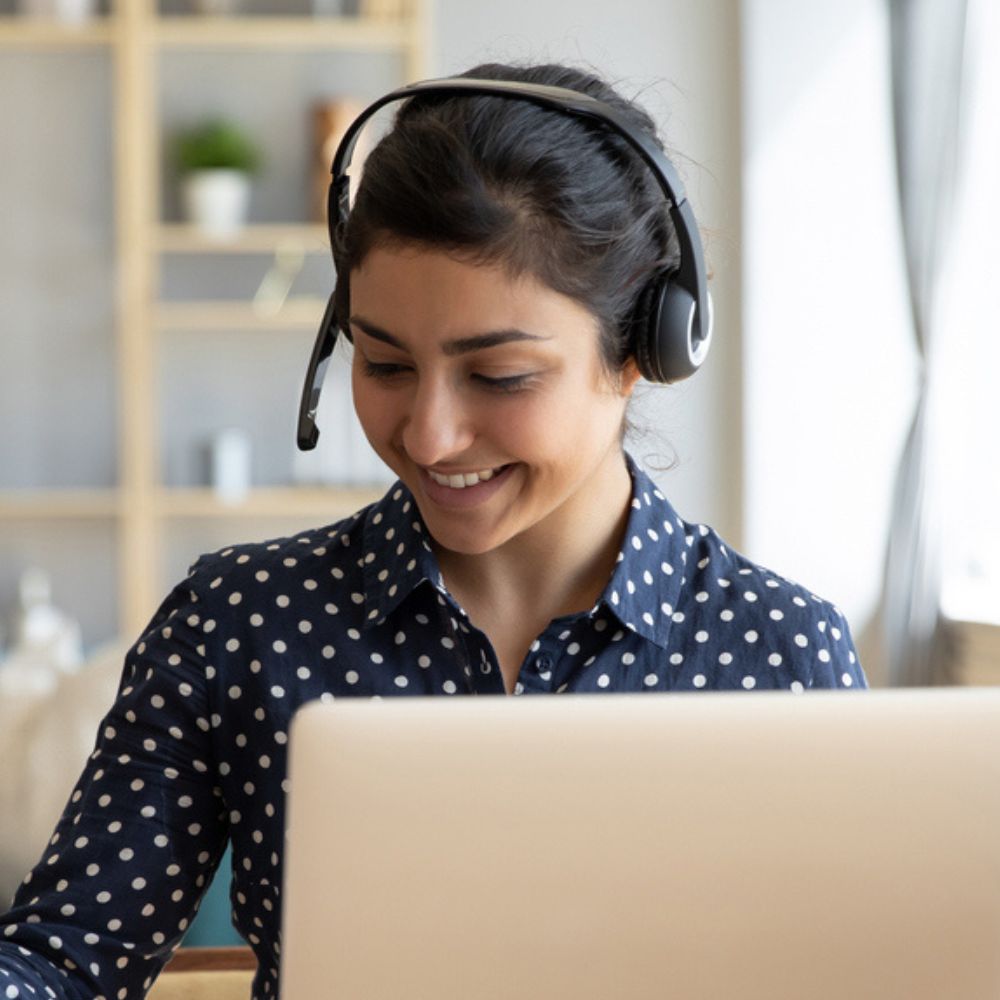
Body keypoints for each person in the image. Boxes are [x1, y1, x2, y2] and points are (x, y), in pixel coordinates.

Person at [0, 61, 866, 1000]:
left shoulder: (783, 652)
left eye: (497, 376)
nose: (429, 434)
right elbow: (61, 960)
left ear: (641, 354)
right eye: (384, 363)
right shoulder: (234, 624)